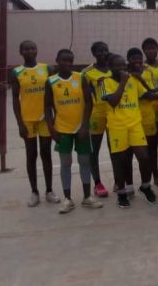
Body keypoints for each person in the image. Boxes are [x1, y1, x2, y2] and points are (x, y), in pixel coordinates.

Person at [44, 49, 103, 213]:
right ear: (57, 60)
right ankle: (68, 199)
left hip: (81, 129)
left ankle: (86, 197)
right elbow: (47, 107)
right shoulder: (51, 82)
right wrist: (51, 128)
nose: (67, 64)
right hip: (62, 129)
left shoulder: (80, 77)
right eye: (64, 60)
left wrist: (85, 125)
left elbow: (89, 103)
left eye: (70, 61)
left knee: (84, 161)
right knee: (65, 163)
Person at [101, 54, 157, 208]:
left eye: (123, 66)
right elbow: (113, 101)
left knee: (144, 157)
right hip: (117, 126)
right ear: (110, 67)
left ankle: (145, 186)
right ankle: (122, 192)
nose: (121, 69)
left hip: (135, 124)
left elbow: (147, 94)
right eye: (117, 66)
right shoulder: (105, 82)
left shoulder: (133, 80)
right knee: (120, 161)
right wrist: (123, 82)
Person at [12, 40, 60, 206]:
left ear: (37, 50)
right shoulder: (17, 72)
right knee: (31, 154)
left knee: (46, 153)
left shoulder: (46, 69)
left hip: (45, 119)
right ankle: (34, 191)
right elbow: (15, 99)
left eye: (33, 48)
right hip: (28, 119)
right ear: (21, 51)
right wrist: (19, 123)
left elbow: (54, 95)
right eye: (26, 49)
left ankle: (49, 190)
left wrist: (55, 118)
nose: (30, 51)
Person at [81, 41, 111, 197]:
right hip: (96, 113)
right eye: (99, 51)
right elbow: (85, 98)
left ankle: (119, 182)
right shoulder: (87, 72)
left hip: (113, 112)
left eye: (105, 50)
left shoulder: (115, 68)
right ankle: (98, 183)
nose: (103, 53)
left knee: (116, 149)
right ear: (93, 54)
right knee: (95, 150)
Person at [141, 38, 158, 186]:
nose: (151, 51)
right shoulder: (142, 69)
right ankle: (156, 175)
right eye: (147, 49)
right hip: (150, 110)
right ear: (144, 51)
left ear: (157, 49)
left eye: (153, 48)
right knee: (152, 144)